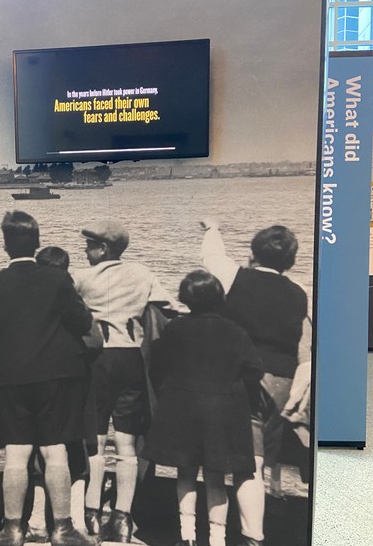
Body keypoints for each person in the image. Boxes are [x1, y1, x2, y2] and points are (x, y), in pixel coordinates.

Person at [0, 212, 97, 546]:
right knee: (55, 452)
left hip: (11, 379)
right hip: (58, 377)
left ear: (5, 244)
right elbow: (82, 323)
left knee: (16, 454)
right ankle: (63, 530)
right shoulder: (57, 280)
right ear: (36, 243)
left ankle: (12, 531)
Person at [200, 219, 311, 546]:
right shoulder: (300, 292)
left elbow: (211, 256)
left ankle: (249, 537)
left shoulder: (236, 277)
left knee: (244, 464)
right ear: (290, 261)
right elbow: (303, 344)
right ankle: (255, 529)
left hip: (246, 378)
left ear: (253, 252)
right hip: (284, 383)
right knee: (260, 462)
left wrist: (214, 228)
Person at [71, 219, 176, 543]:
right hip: (131, 358)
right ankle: (122, 518)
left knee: (96, 440)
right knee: (127, 445)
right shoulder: (143, 274)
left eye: (90, 245)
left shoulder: (82, 278)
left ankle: (91, 514)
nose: (86, 250)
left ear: (103, 248)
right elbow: (169, 308)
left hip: (98, 361)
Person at [142, 270, 263, 546]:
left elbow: (157, 364)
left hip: (182, 407)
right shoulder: (236, 331)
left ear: (186, 299)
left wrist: (168, 393)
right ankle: (217, 539)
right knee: (216, 477)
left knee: (184, 472)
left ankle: (187, 537)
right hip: (222, 412)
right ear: (219, 297)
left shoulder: (175, 328)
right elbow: (254, 370)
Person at [24, 247, 102, 542]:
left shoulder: (26, 303)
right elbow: (95, 342)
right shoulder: (73, 301)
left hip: (33, 386)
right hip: (74, 385)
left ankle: (36, 522)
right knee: (77, 452)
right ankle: (77, 522)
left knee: (37, 454)